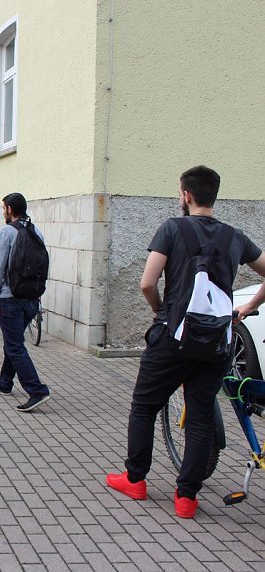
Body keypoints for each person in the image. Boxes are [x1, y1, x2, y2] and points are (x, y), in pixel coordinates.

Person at [106, 166, 265, 519]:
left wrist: (162, 312)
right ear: (214, 196)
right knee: (201, 415)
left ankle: (135, 479)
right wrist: (249, 307)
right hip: (216, 344)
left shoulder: (171, 229)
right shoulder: (235, 236)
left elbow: (147, 282)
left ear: (185, 194)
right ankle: (187, 498)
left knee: (144, 406)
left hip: (173, 338)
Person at [0, 193, 51, 412]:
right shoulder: (37, 231)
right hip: (32, 299)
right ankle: (5, 382)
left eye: (3, 208)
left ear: (9, 209)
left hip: (11, 299)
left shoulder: (5, 232)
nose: (3, 211)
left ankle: (37, 391)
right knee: (13, 341)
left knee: (14, 346)